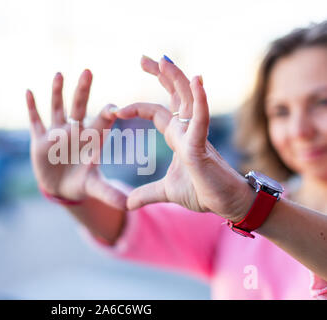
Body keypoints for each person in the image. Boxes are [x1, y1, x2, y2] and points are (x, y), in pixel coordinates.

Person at [25, 21, 327, 299]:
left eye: (322, 103)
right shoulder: (235, 225)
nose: (300, 130)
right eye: (281, 112)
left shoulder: (247, 210)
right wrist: (69, 188)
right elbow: (129, 225)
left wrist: (251, 208)